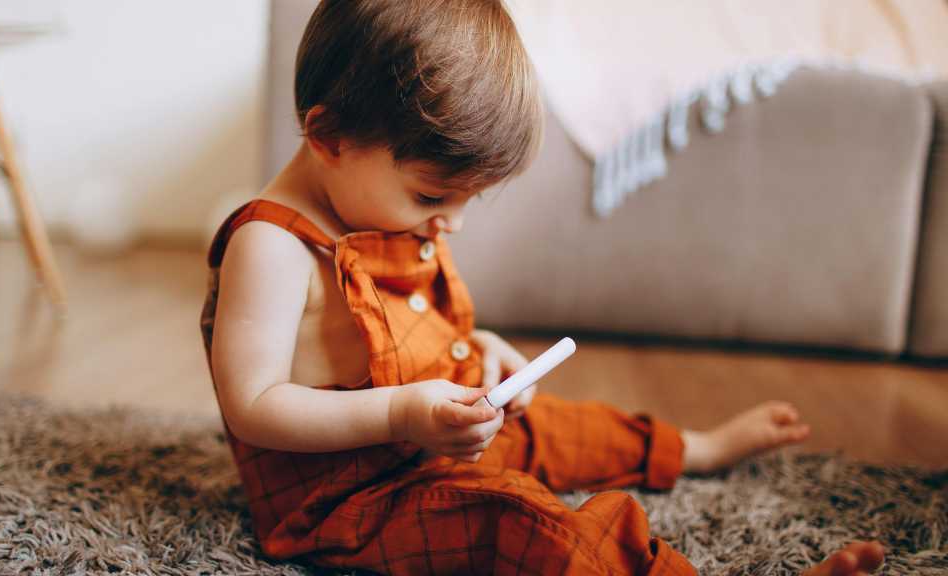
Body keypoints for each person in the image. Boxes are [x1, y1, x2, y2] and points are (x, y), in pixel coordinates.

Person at [200, 1, 884, 574]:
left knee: (558, 426)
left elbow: (400, 338)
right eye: (433, 194)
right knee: (520, 525)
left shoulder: (372, 200)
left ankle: (692, 447)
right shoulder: (272, 245)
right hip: (348, 497)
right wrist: (401, 414)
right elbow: (253, 405)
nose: (454, 223)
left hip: (423, 434)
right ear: (328, 136)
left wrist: (479, 348)